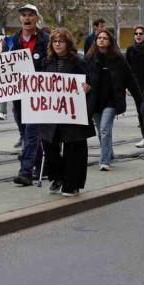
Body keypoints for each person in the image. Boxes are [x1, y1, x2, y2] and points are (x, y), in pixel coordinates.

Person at [40, 28, 95, 197]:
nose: (57, 44)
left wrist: (87, 88)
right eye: (55, 41)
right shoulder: (46, 62)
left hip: (72, 113)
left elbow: (89, 84)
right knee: (50, 147)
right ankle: (58, 177)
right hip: (51, 113)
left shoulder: (79, 62)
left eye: (61, 41)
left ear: (68, 44)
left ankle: (72, 184)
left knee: (74, 148)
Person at [86, 29, 142, 171]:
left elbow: (130, 79)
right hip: (95, 100)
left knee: (105, 129)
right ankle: (110, 153)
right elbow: (82, 76)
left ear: (110, 41)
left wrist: (140, 99)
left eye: (105, 38)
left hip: (112, 100)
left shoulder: (118, 59)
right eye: (99, 38)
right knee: (100, 130)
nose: (102, 40)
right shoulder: (90, 58)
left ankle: (104, 161)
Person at [8, 5, 49, 186]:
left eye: (30, 15)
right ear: (20, 19)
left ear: (37, 18)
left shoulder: (46, 40)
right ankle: (41, 165)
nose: (26, 18)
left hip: (38, 94)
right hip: (18, 94)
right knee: (25, 132)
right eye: (23, 15)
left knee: (32, 132)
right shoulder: (10, 41)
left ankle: (25, 171)